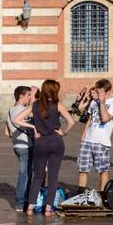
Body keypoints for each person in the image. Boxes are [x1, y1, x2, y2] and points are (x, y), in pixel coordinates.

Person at [15, 79, 75, 216]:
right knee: (53, 177)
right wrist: (64, 133)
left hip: (41, 142)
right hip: (56, 141)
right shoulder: (57, 104)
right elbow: (71, 122)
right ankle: (48, 208)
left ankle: (30, 206)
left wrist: (33, 127)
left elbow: (17, 119)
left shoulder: (35, 105)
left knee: (38, 176)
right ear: (54, 91)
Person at [76, 79, 113, 194]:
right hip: (87, 140)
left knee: (103, 170)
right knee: (83, 168)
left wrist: (102, 103)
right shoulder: (94, 102)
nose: (98, 93)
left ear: (107, 91)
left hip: (102, 142)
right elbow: (89, 119)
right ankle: (80, 194)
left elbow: (105, 119)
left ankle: (102, 195)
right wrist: (84, 135)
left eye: (100, 91)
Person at [5, 86, 34, 213]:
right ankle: (21, 202)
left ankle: (24, 200)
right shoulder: (23, 110)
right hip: (25, 146)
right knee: (25, 175)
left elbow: (6, 132)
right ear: (21, 96)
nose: (29, 98)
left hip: (16, 145)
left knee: (26, 173)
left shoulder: (10, 110)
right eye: (28, 95)